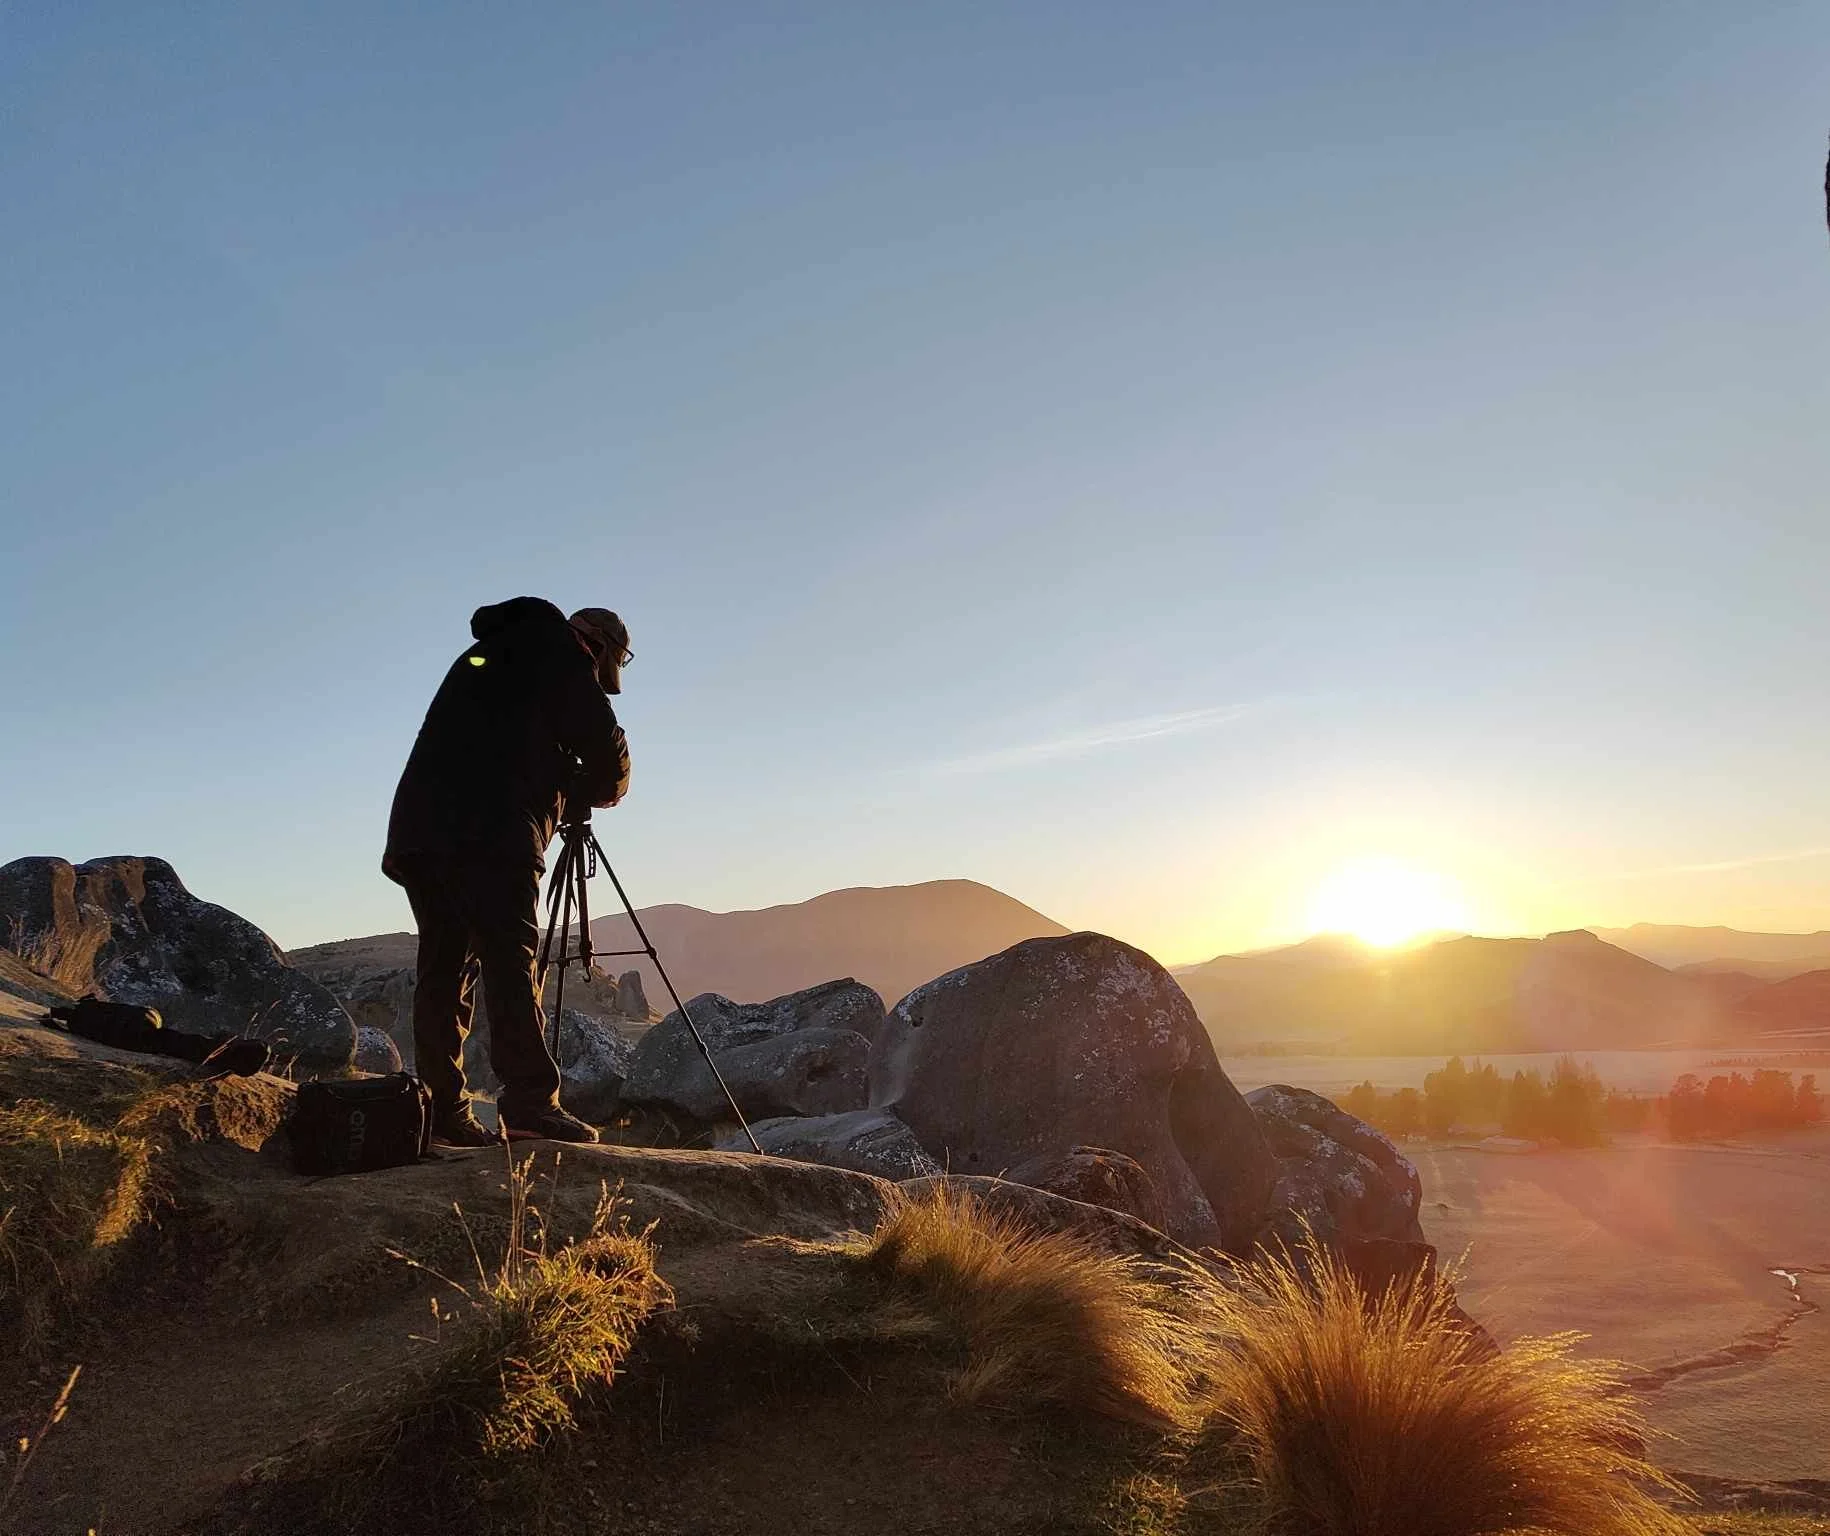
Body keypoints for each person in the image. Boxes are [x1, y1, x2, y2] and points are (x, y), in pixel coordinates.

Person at [382, 597, 632, 1146]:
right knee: (511, 958)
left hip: (421, 833)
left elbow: (498, 739)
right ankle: (529, 1105)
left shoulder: (489, 653)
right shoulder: (560, 653)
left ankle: (442, 1113)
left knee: (445, 968)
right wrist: (578, 787)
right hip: (493, 831)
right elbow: (609, 757)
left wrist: (554, 772)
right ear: (601, 649)